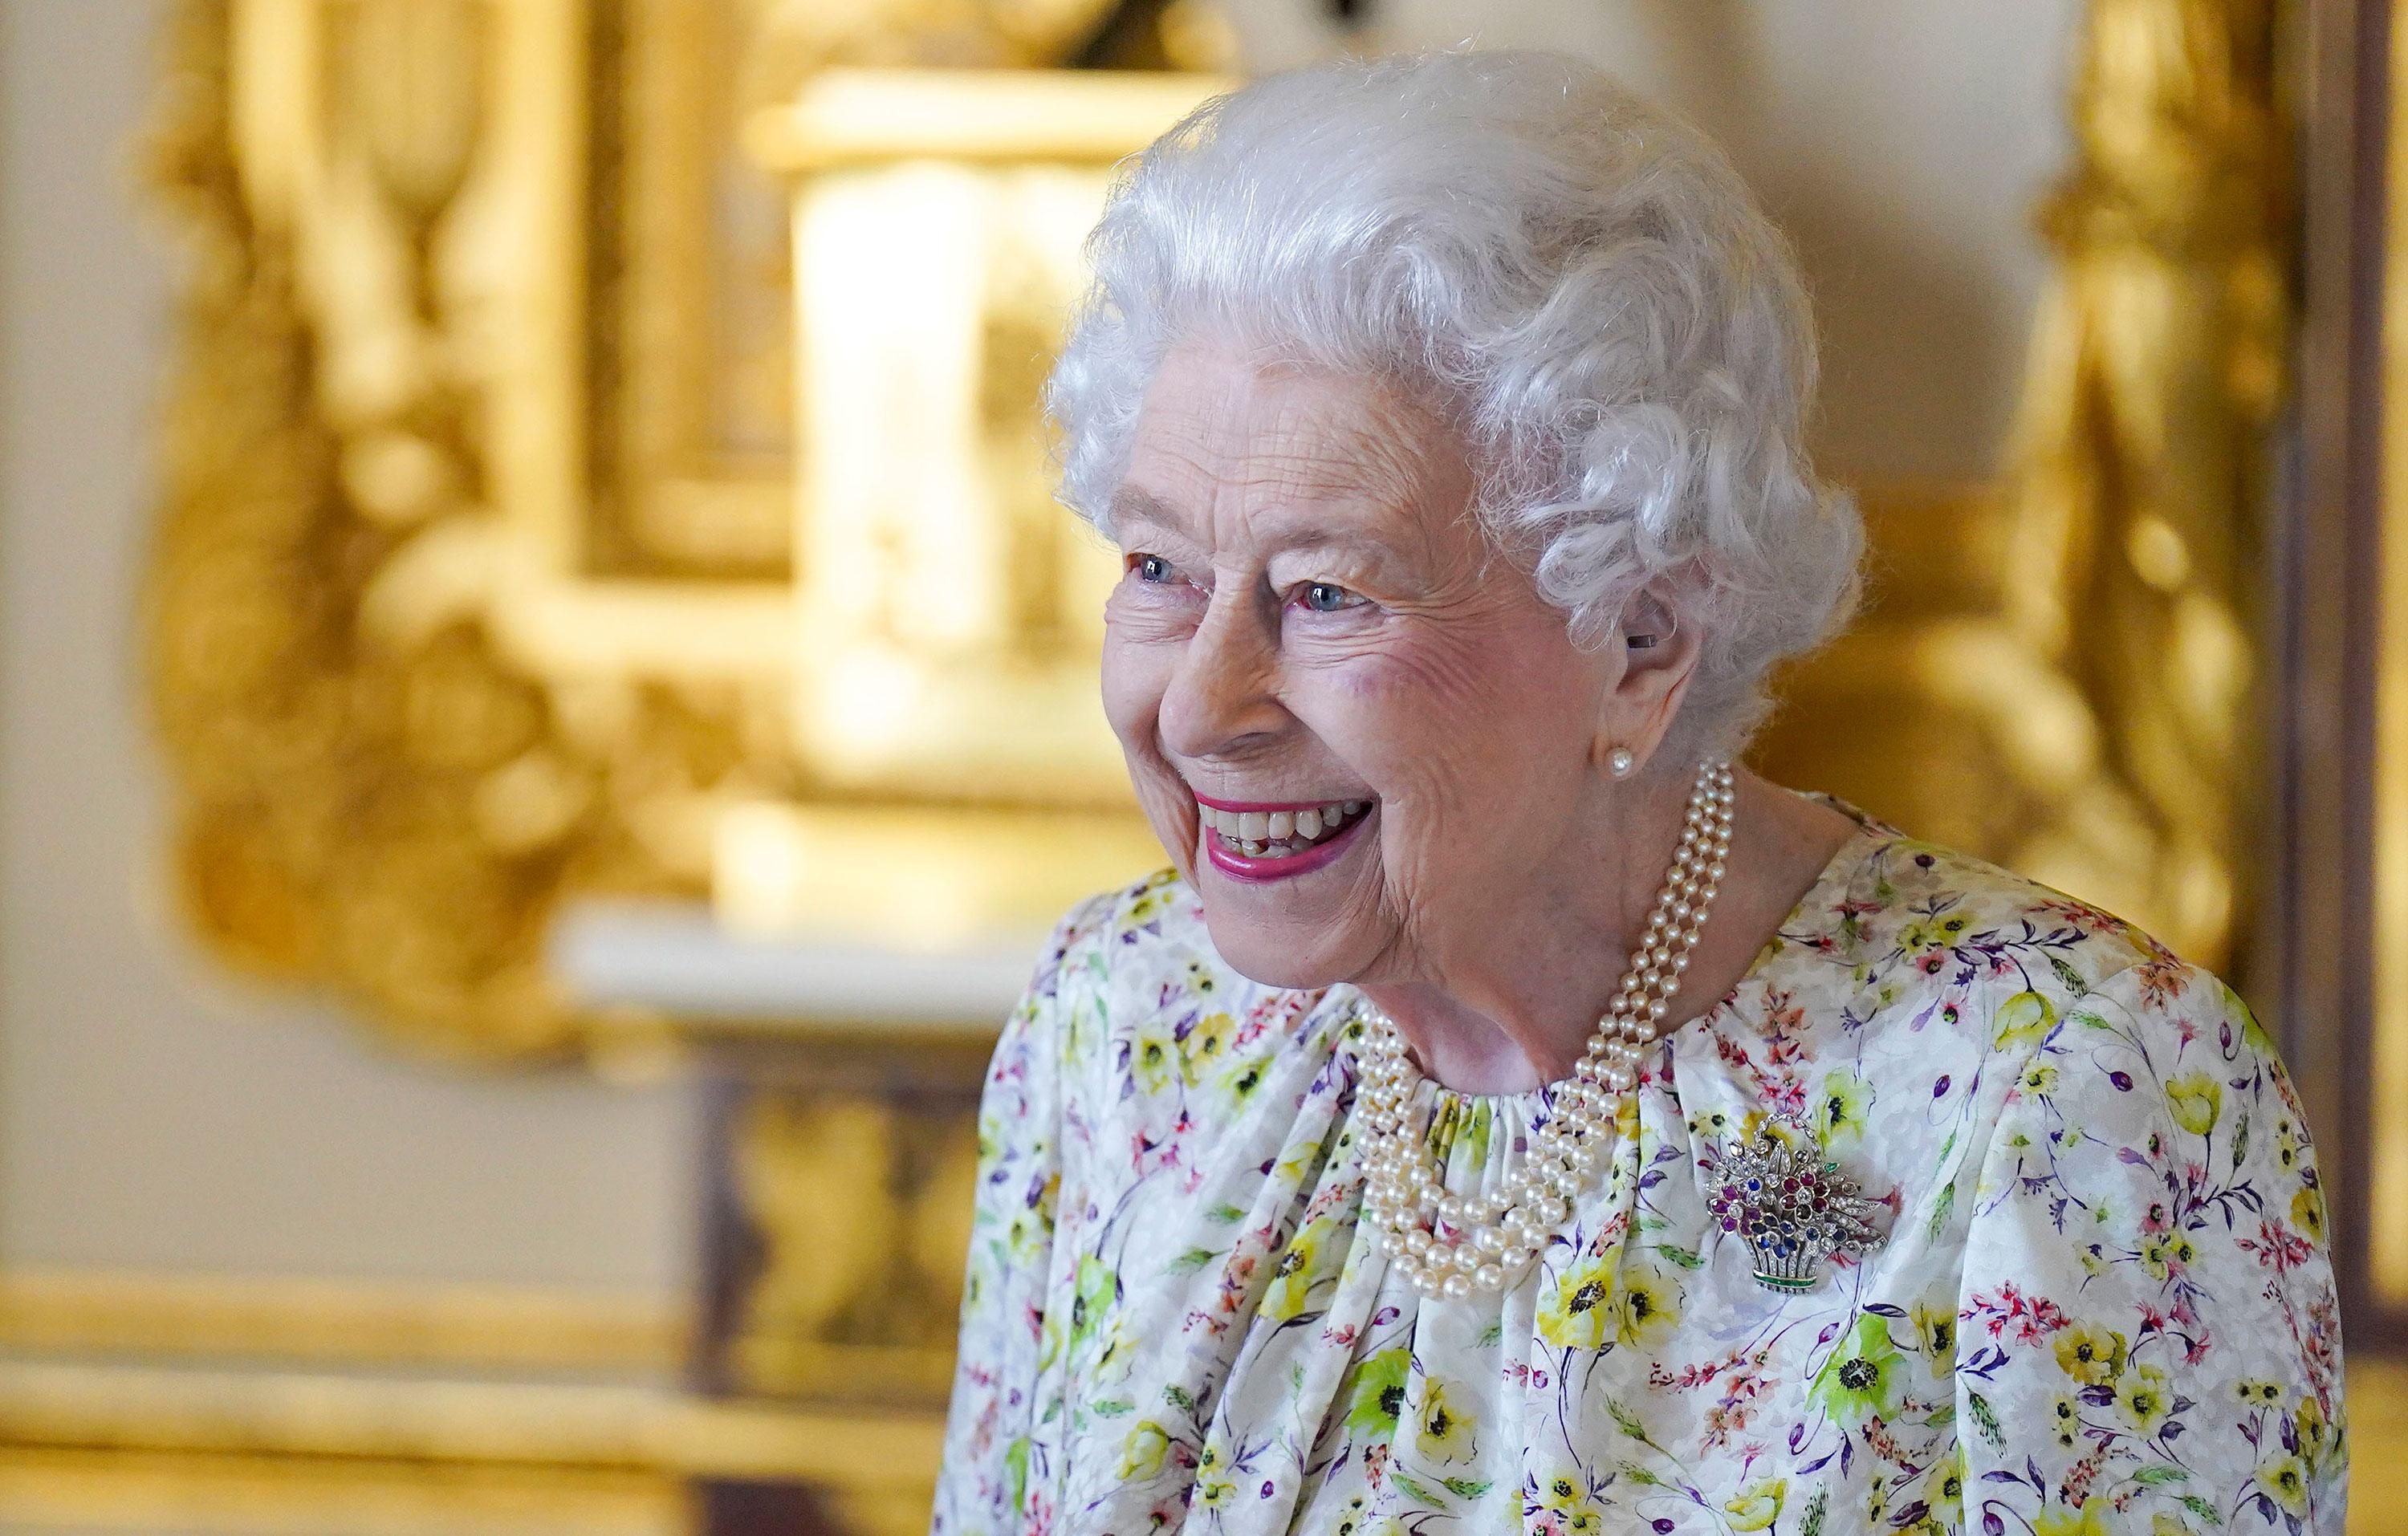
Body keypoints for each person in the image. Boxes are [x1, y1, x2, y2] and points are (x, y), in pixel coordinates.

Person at [931, 50, 2346, 1534]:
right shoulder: (1121, 1027)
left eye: (1328, 592)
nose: (1202, 704)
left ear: (1640, 642)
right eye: (1160, 568)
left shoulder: (2070, 1103)